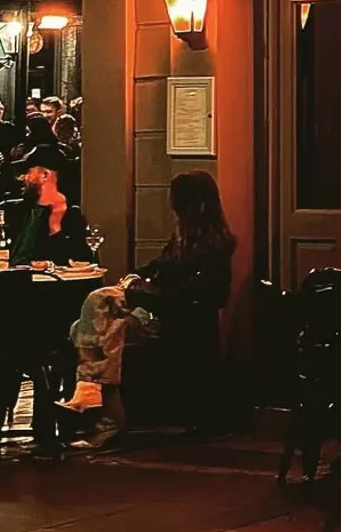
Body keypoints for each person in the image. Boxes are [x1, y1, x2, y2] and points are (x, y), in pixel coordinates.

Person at [65, 170, 235, 446]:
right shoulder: (181, 238)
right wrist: (137, 277)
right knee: (93, 324)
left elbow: (193, 297)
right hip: (154, 310)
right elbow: (160, 266)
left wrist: (139, 295)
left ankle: (96, 405)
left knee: (95, 318)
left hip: (173, 320)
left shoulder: (214, 247)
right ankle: (105, 415)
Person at [0, 143, 91, 269]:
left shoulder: (71, 218)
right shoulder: (6, 210)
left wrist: (55, 227)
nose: (22, 178)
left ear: (45, 175)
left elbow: (78, 266)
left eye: (28, 172)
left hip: (40, 286)